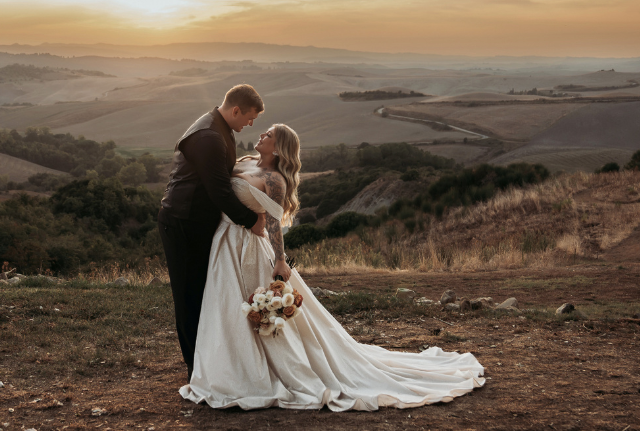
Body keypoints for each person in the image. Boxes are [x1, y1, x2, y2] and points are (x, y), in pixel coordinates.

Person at [180, 124, 486, 411]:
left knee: (256, 314)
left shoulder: (275, 181)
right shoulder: (245, 160)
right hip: (224, 242)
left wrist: (280, 260)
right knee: (222, 308)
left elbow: (273, 223)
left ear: (280, 146)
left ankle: (255, 372)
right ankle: (225, 367)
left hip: (247, 249)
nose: (262, 134)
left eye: (270, 133)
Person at [158, 84, 270, 382]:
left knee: (205, 293)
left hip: (196, 223)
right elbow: (219, 191)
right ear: (236, 110)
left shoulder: (218, 127)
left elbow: (224, 175)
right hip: (182, 223)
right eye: (249, 118)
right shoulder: (209, 136)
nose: (250, 125)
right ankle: (197, 372)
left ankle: (209, 363)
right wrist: (251, 220)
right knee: (189, 298)